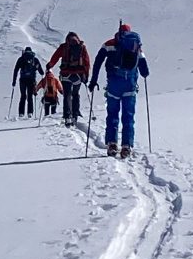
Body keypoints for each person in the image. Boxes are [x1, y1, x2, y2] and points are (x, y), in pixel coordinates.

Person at [89, 23, 150, 158]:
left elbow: (98, 62)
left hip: (113, 87)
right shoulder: (136, 46)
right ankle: (126, 146)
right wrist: (143, 74)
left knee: (112, 115)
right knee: (128, 117)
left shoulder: (109, 44)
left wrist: (93, 81)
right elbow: (145, 70)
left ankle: (112, 143)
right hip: (130, 87)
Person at [45, 32, 90, 127]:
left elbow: (55, 57)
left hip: (66, 74)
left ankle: (67, 116)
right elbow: (86, 61)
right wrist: (86, 75)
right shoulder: (82, 47)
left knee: (67, 95)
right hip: (78, 75)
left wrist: (50, 65)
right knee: (76, 94)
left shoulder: (64, 47)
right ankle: (75, 114)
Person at [12, 46, 44, 118]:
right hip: (31, 80)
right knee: (30, 96)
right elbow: (40, 70)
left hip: (23, 80)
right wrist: (42, 73)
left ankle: (21, 113)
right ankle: (30, 113)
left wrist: (14, 81)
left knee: (23, 96)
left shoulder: (21, 59)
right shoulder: (34, 59)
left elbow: (16, 70)